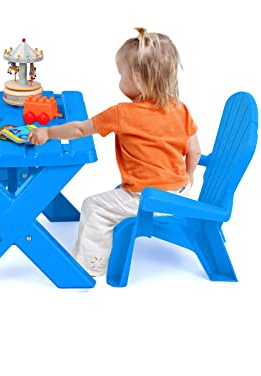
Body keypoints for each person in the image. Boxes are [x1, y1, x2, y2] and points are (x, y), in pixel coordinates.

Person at [27, 28, 201, 277]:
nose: (119, 81)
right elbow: (194, 150)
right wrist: (188, 176)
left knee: (94, 207)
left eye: (121, 75)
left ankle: (90, 265)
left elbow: (79, 129)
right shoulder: (180, 109)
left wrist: (48, 132)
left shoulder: (122, 113)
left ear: (138, 79)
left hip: (148, 198)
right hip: (180, 192)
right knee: (113, 199)